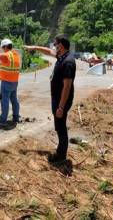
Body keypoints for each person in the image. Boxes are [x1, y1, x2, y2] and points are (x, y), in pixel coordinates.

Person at [24, 35, 76, 163]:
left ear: (61, 46)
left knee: (61, 126)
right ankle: (60, 150)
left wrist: (61, 107)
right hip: (57, 99)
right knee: (59, 125)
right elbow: (48, 52)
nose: (54, 47)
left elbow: (67, 87)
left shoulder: (68, 61)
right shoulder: (62, 56)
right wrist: (34, 47)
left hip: (61, 100)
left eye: (55, 44)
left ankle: (61, 155)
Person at [0, 39, 21, 129]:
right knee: (14, 100)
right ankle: (16, 117)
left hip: (7, 82)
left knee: (4, 101)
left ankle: (2, 121)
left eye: (2, 48)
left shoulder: (7, 55)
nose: (2, 50)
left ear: (5, 47)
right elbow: (7, 68)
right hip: (14, 82)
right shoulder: (15, 55)